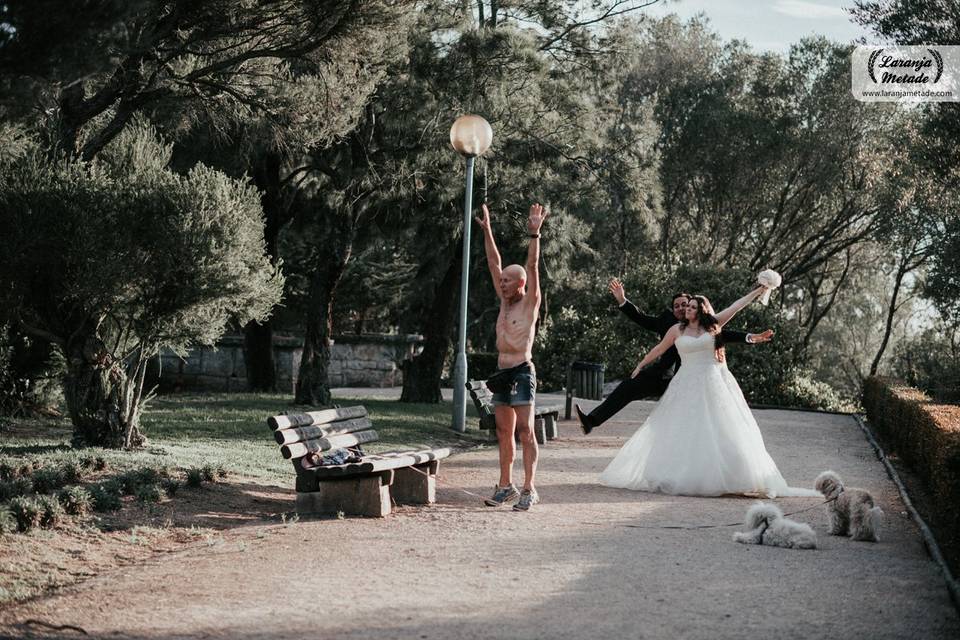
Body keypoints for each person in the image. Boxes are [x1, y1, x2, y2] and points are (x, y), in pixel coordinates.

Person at [598, 283, 818, 497]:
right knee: (679, 428)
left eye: (692, 307)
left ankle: (730, 476)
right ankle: (675, 474)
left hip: (712, 381)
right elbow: (659, 348)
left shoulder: (713, 325)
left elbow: (736, 306)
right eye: (687, 307)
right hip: (684, 383)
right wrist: (640, 364)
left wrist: (758, 291)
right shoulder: (677, 329)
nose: (687, 310)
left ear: (701, 310)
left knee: (719, 427)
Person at [575, 278, 775, 434]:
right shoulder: (670, 325)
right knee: (628, 385)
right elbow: (643, 321)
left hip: (693, 379)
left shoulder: (707, 326)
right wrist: (622, 300)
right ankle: (591, 421)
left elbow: (726, 331)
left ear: (694, 306)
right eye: (678, 305)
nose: (682, 308)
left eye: (686, 304)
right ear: (673, 310)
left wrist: (751, 337)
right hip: (664, 376)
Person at [475, 202, 547, 511]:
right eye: (501, 280)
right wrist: (487, 229)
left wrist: (535, 234)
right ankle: (506, 485)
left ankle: (530, 487)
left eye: (507, 281)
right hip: (501, 372)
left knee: (525, 430)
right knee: (503, 431)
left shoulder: (529, 302)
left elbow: (532, 267)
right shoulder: (504, 301)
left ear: (521, 285)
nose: (501, 284)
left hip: (521, 370)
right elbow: (493, 261)